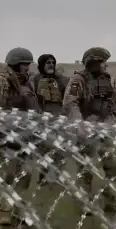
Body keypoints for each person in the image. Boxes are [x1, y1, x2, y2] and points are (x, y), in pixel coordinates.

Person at [63, 47, 116, 214]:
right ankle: (86, 204)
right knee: (86, 169)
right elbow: (70, 102)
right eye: (102, 61)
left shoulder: (109, 79)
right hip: (86, 128)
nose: (105, 65)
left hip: (105, 128)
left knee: (111, 167)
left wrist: (114, 117)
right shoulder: (79, 79)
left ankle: (111, 203)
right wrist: (79, 123)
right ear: (93, 63)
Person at [0, 47, 40, 226]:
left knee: (26, 174)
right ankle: (5, 212)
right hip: (9, 135)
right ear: (16, 64)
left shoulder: (27, 82)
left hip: (27, 135)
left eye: (28, 64)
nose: (28, 67)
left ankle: (19, 213)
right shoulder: (2, 81)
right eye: (25, 64)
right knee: (9, 174)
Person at [31, 53, 68, 184]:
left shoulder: (62, 80)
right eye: (48, 62)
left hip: (60, 117)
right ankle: (44, 177)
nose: (51, 64)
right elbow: (31, 98)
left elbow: (69, 96)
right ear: (41, 65)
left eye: (53, 62)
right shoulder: (34, 79)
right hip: (43, 118)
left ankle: (57, 177)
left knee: (60, 148)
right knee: (44, 148)